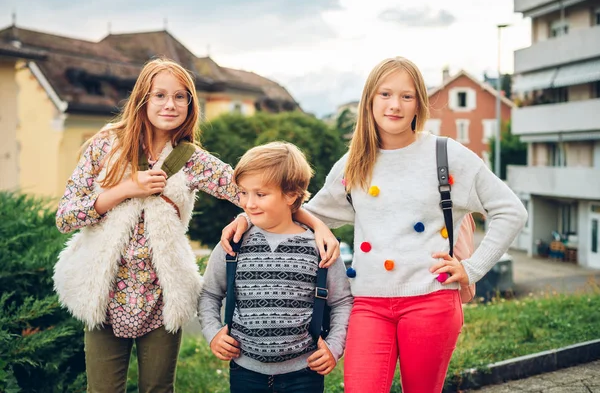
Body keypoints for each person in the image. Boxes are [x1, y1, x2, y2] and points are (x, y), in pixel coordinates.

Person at [221, 57, 528, 393]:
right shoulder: (354, 162)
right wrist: (247, 217)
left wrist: (472, 269)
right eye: (385, 94)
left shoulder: (446, 155)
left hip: (431, 300)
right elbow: (298, 210)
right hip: (368, 303)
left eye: (406, 96)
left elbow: (511, 211)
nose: (394, 105)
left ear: (418, 105)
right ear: (369, 100)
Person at [53, 58, 338, 393]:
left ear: (191, 104)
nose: (170, 104)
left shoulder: (191, 159)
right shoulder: (106, 145)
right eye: (160, 95)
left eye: (180, 96)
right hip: (104, 289)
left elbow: (259, 197)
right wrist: (126, 189)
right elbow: (66, 217)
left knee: (159, 389)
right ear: (143, 98)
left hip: (162, 294)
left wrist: (317, 225)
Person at [200, 142, 353, 393]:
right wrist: (212, 332)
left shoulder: (320, 246)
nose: (249, 203)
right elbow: (209, 293)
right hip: (245, 371)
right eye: (244, 193)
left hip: (304, 373)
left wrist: (334, 347)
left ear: (291, 195)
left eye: (260, 194)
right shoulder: (233, 242)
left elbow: (342, 302)